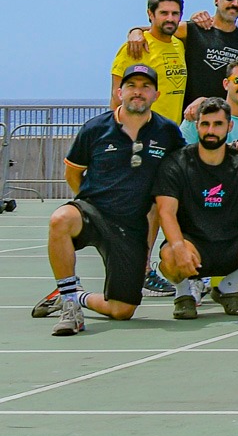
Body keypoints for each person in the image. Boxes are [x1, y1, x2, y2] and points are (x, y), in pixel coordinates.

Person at [40, 66, 187, 336]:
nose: (138, 92)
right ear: (120, 92)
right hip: (93, 212)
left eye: (145, 86)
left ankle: (76, 295)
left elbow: (190, 164)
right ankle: (70, 304)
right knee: (60, 219)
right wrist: (88, 200)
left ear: (156, 94)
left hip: (130, 227)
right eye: (132, 86)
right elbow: (73, 172)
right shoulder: (95, 129)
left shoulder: (167, 132)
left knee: (122, 310)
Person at [153, 98, 238, 318]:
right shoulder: (176, 163)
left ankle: (228, 288)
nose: (211, 130)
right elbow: (166, 211)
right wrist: (178, 246)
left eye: (218, 124)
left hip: (234, 243)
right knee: (170, 256)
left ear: (230, 127)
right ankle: (184, 294)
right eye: (205, 124)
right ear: (197, 126)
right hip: (193, 244)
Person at [111, 0, 189, 123]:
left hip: (172, 132)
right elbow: (116, 97)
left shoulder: (179, 45)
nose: (170, 18)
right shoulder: (135, 47)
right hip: (142, 131)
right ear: (151, 14)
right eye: (164, 13)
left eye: (175, 13)